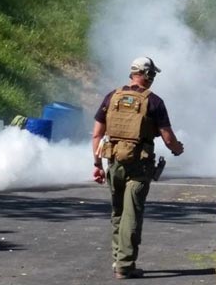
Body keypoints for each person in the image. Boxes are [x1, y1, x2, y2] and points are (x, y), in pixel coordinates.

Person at [92, 56, 184, 279]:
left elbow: (97, 134)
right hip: (139, 166)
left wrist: (97, 165)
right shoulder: (154, 101)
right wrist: (177, 149)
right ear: (148, 75)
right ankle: (125, 265)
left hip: (113, 162)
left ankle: (118, 259)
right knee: (132, 213)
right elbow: (167, 137)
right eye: (152, 74)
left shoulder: (111, 97)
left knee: (118, 212)